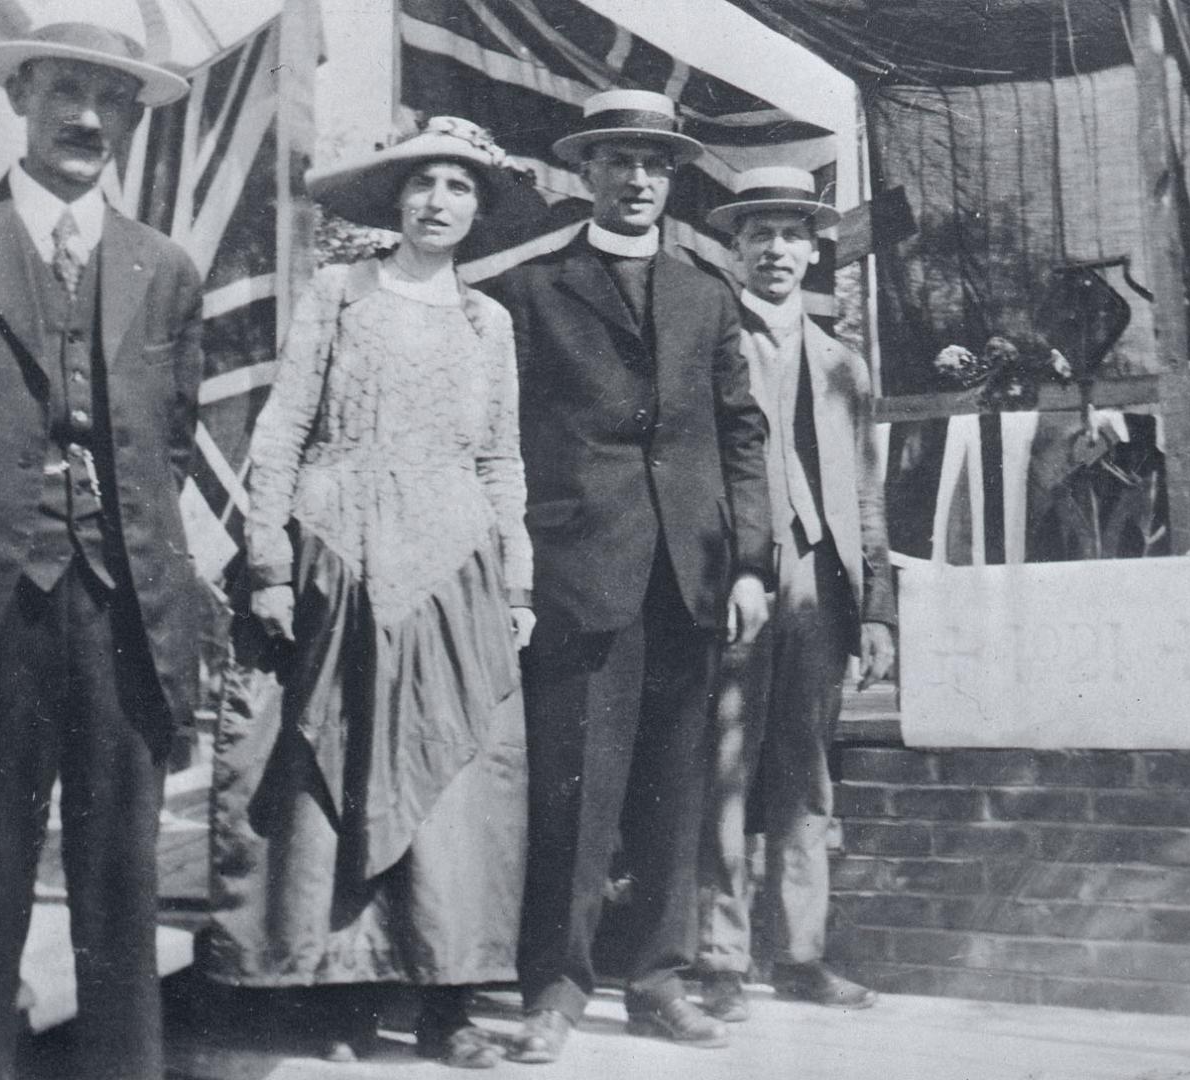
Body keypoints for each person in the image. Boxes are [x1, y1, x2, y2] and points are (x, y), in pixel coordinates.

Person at [218, 116, 537, 1069]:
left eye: (461, 188)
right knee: (331, 773)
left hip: (452, 568)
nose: (440, 202)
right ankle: (334, 1004)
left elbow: (500, 458)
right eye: (425, 183)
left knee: (456, 787)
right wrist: (269, 561)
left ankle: (447, 1008)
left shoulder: (491, 322)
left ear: (479, 210)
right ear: (397, 197)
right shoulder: (336, 293)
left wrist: (516, 582)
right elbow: (281, 429)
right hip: (336, 553)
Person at [0, 22, 200, 1080]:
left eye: (110, 100)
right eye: (65, 91)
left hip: (122, 611)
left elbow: (164, 443)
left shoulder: (160, 266)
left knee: (118, 886)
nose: (86, 117)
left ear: (132, 120)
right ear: (21, 97)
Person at [485, 89, 774, 1061]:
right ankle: (554, 990)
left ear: (673, 177)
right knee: (572, 799)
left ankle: (658, 981)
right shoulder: (529, 293)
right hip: (577, 578)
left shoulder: (707, 293)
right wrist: (524, 568)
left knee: (672, 795)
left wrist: (746, 565)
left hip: (688, 579)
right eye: (618, 160)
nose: (638, 179)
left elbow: (742, 435)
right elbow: (499, 445)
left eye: (654, 163)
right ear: (586, 172)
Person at [695, 168, 896, 1021]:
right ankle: (718, 959)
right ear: (735, 247)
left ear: (816, 251)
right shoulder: (708, 341)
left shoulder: (842, 363)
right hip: (736, 579)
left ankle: (802, 954)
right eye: (760, 235)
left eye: (792, 235)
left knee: (805, 773)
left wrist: (878, 606)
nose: (777, 250)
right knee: (725, 769)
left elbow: (867, 493)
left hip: (821, 583)